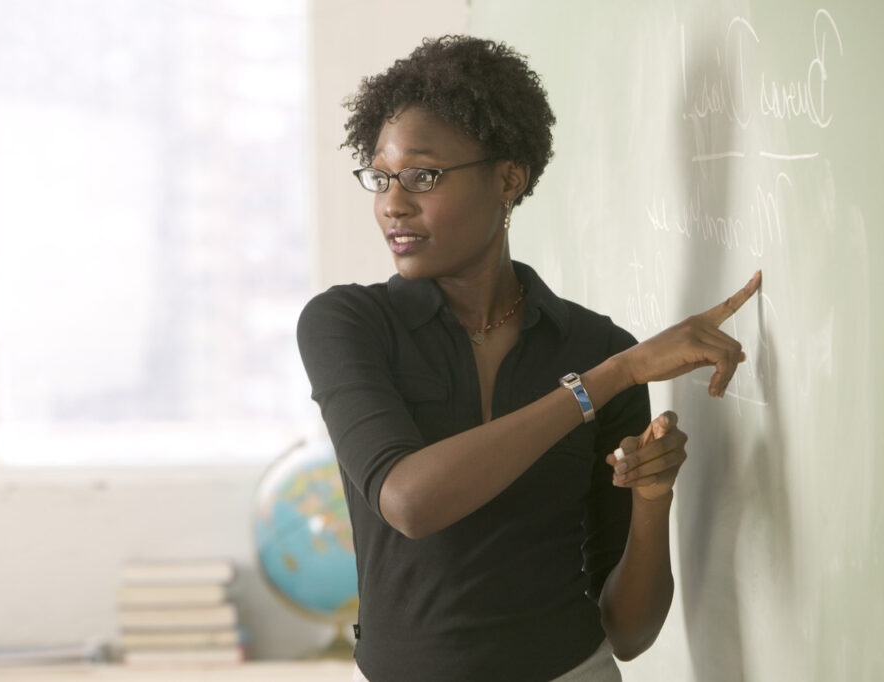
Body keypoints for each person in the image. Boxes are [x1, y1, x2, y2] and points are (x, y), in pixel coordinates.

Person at [296, 36, 760, 682]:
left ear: (508, 179)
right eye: (381, 178)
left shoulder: (596, 347)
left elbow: (629, 632)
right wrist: (604, 383)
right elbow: (409, 501)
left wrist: (652, 499)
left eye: (423, 176)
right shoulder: (347, 325)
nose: (393, 203)